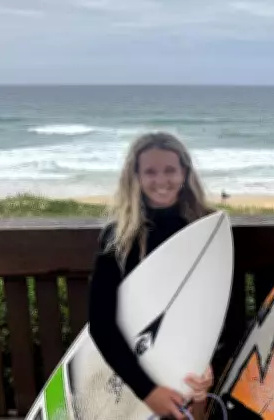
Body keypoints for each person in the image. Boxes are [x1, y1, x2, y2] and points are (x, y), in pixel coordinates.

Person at [88, 132, 216, 419]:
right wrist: (147, 392)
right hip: (132, 373)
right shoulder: (118, 237)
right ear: (135, 176)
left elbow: (220, 306)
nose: (161, 180)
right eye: (150, 172)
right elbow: (101, 323)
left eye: (170, 170)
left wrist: (210, 361)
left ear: (184, 173)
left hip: (190, 368)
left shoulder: (207, 229)